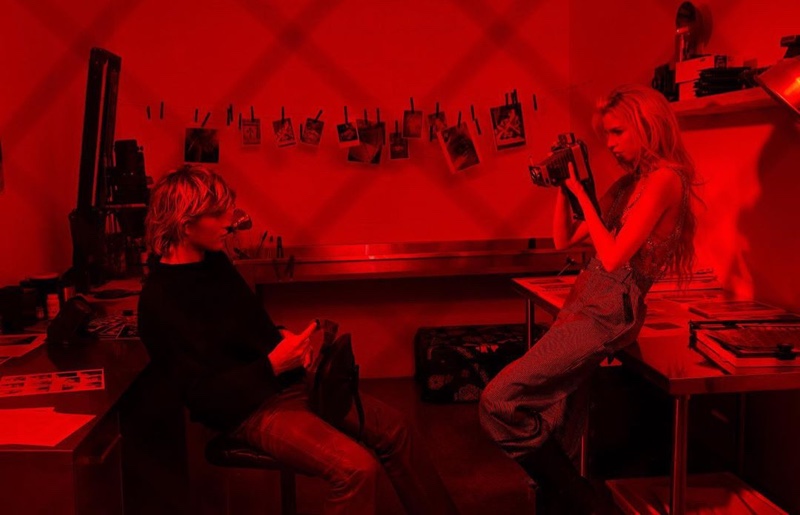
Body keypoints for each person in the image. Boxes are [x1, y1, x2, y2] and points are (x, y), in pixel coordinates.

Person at [137, 165, 459, 515]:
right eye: (217, 214)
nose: (230, 222)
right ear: (185, 225)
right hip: (247, 410)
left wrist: (279, 336)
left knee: (397, 430)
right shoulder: (161, 300)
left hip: (287, 383)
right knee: (356, 469)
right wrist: (271, 366)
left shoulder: (214, 262)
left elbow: (243, 326)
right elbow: (202, 398)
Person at [479, 84, 700, 514]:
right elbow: (564, 239)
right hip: (584, 301)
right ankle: (568, 499)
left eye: (617, 132)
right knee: (557, 428)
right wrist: (564, 190)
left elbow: (615, 258)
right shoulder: (631, 183)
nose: (611, 144)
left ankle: (585, 502)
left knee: (497, 401)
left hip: (608, 312)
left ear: (646, 125)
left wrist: (582, 192)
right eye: (606, 135)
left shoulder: (666, 179)